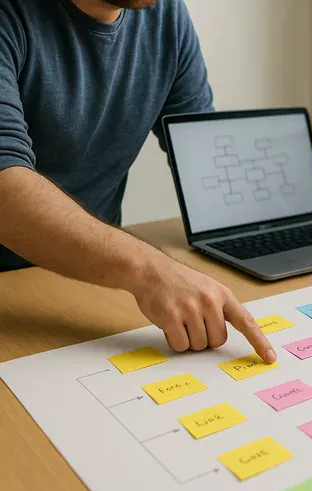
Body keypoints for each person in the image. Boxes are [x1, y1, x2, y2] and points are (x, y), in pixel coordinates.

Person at [0, 0, 276, 362]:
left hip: (93, 279)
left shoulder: (166, 15)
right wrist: (149, 270)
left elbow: (199, 148)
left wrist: (274, 229)